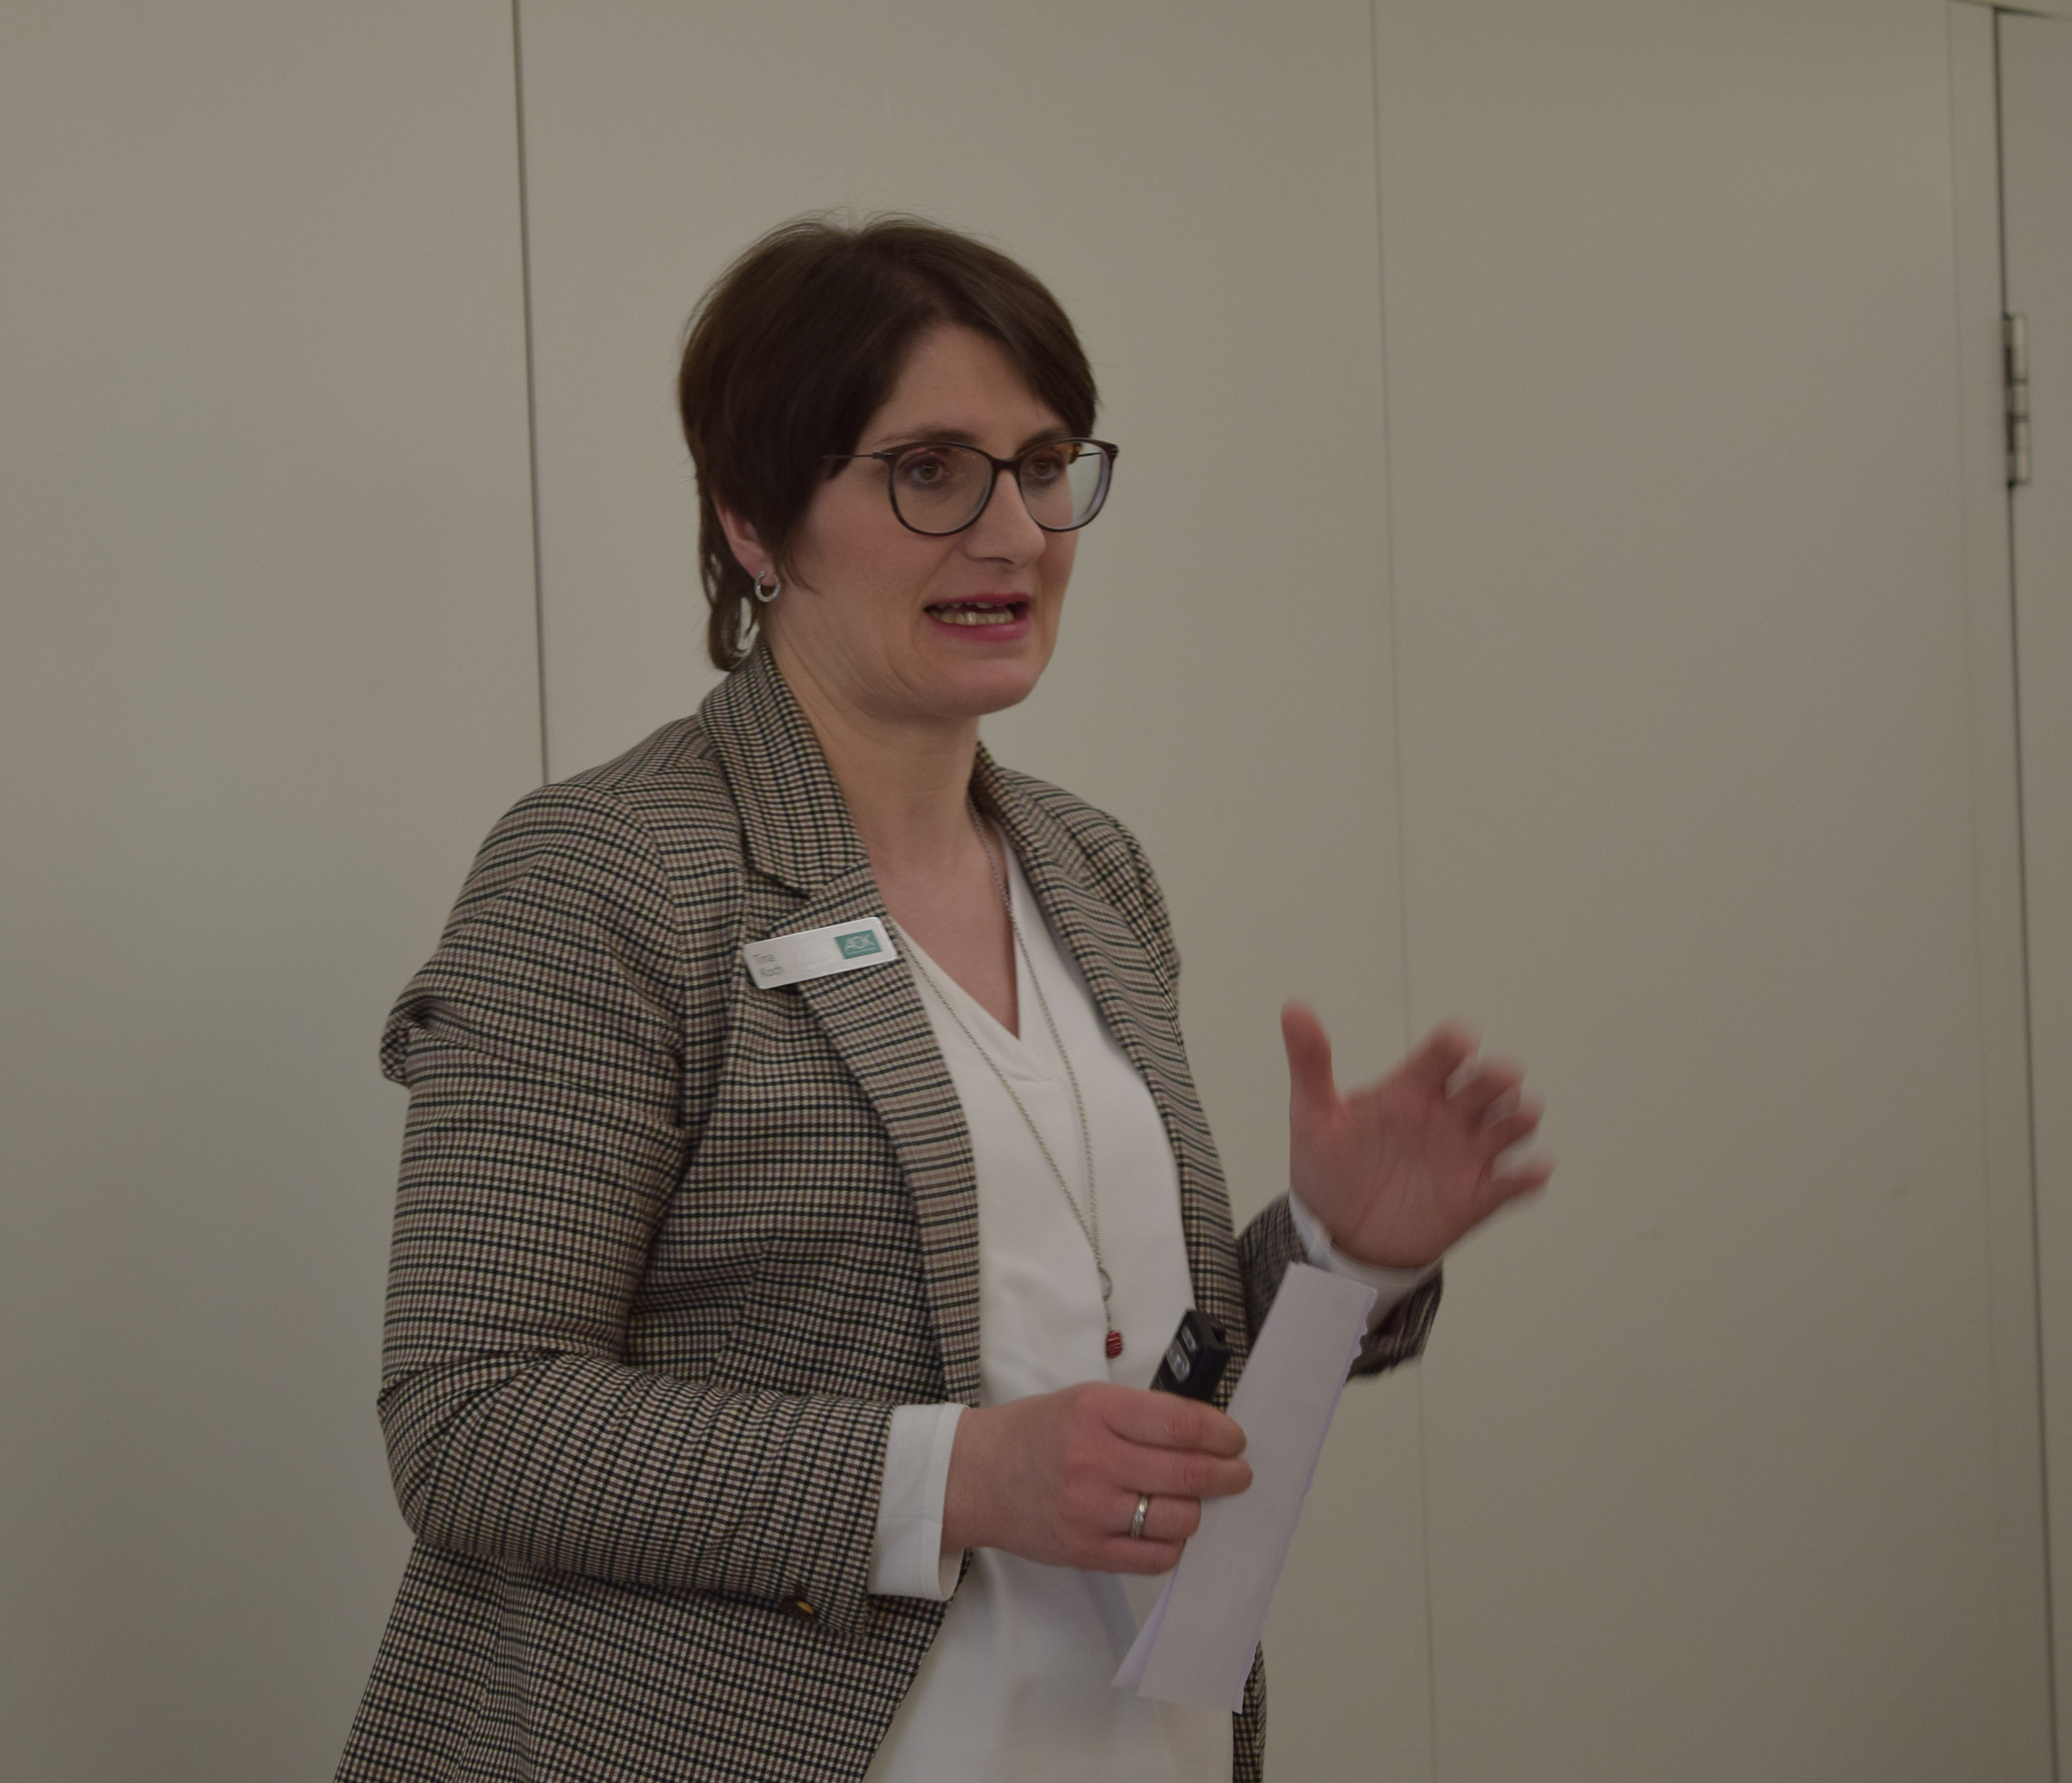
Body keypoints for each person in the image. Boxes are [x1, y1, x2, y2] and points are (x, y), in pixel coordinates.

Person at [339, 216, 1548, 1783]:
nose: (1014, 532)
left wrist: (1336, 1254)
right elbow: (474, 1418)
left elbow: (1123, 1374)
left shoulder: (1090, 868)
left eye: (1042, 466)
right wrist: (958, 1475)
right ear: (755, 521)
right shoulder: (611, 871)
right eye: (930, 471)